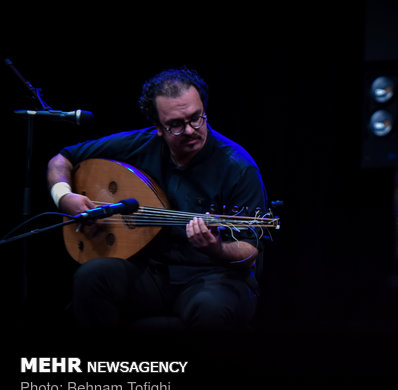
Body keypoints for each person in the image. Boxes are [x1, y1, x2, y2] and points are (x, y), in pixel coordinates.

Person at [46, 68, 268, 332]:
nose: (190, 130)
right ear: (158, 128)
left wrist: (214, 247)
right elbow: (62, 159)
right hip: (153, 273)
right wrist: (64, 197)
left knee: (210, 309)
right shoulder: (141, 144)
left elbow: (250, 252)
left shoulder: (238, 167)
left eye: (196, 118)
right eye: (176, 124)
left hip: (215, 276)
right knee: (91, 279)